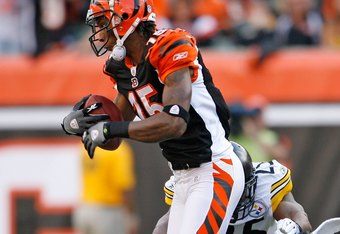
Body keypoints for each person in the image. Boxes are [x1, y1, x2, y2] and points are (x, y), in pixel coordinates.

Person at [61, 0, 245, 233]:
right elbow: (114, 135)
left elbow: (175, 123)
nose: (97, 30)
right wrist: (83, 124)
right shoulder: (122, 66)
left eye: (101, 21)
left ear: (123, 20)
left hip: (213, 167)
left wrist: (108, 129)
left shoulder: (169, 46)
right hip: (181, 177)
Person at [153, 141, 312, 234]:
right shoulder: (198, 187)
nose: (236, 197)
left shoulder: (267, 182)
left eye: (240, 190)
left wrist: (293, 227)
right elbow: (163, 226)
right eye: (230, 189)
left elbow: (297, 214)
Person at [73, 141, 139, 234]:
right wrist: (131, 216)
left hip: (84, 208)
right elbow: (125, 187)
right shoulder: (119, 150)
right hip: (107, 211)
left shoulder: (87, 143)